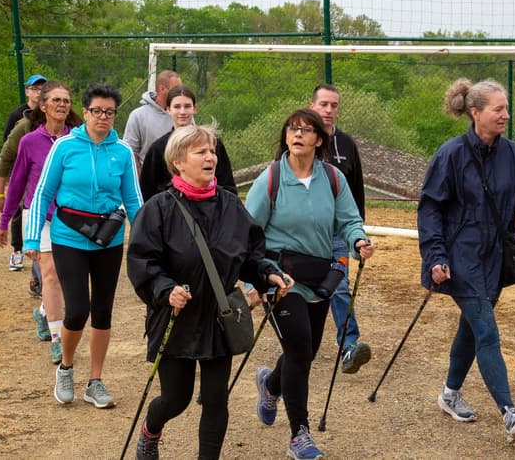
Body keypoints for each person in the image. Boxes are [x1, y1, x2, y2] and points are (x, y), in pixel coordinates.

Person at [127, 124, 293, 460]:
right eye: (200, 152)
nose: (210, 157)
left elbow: (249, 257)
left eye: (212, 151)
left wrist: (267, 274)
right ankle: (150, 432)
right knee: (176, 398)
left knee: (216, 398)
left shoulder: (231, 207)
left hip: (220, 316)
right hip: (175, 315)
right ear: (178, 162)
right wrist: (164, 289)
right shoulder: (158, 208)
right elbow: (142, 260)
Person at [417, 78, 515, 444]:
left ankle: (449, 394)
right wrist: (435, 255)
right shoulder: (450, 155)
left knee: (471, 327)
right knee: (486, 330)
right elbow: (430, 209)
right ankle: (510, 413)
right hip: (458, 258)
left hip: (496, 258)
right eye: (498, 109)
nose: (506, 115)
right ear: (475, 112)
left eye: (506, 108)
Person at [244, 108, 375, 460]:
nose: (297, 134)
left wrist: (359, 240)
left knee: (304, 351)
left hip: (318, 276)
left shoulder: (332, 178)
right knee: (301, 349)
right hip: (280, 280)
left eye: (305, 130)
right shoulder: (270, 178)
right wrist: (251, 282)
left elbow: (349, 220)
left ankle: (270, 385)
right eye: (292, 128)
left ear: (319, 139)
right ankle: (298, 435)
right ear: (285, 136)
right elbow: (247, 233)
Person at [26, 83, 142, 408]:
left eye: (109, 112)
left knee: (103, 310)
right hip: (69, 237)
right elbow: (42, 195)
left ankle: (95, 381)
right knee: (78, 309)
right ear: (86, 111)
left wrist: (147, 237)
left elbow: (133, 198)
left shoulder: (122, 151)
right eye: (96, 111)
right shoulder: (64, 147)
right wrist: (33, 238)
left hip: (109, 238)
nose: (103, 117)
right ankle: (65, 367)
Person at [0, 81, 80, 363]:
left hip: (72, 219)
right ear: (43, 106)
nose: (61, 105)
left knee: (71, 279)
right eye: (55, 100)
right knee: (51, 273)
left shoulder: (79, 140)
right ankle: (58, 339)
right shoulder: (29, 141)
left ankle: (44, 313)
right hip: (39, 216)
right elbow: (17, 183)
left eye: (66, 100)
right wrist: (5, 221)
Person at [309, 83, 370, 374]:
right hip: (303, 234)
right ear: (313, 106)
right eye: (324, 104)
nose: (329, 110)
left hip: (336, 233)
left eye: (334, 105)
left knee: (340, 287)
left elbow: (355, 191)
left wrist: (358, 233)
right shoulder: (300, 139)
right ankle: (300, 342)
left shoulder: (346, 145)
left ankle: (349, 345)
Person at [139, 85, 236, 201]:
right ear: (168, 109)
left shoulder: (212, 143)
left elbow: (228, 186)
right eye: (177, 107)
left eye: (187, 106)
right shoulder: (158, 149)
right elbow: (147, 191)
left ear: (195, 108)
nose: (182, 112)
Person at [0, 73, 47, 273]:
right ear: (27, 91)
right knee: (20, 210)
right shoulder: (19, 116)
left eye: (42, 89)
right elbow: (7, 148)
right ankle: (17, 250)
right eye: (35, 89)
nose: (38, 93)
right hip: (22, 171)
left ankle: (36, 260)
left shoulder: (56, 117)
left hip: (40, 172)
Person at [123, 70, 182, 176]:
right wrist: (142, 180)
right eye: (176, 89)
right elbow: (130, 151)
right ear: (162, 89)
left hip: (181, 178)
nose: (180, 93)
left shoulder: (184, 114)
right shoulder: (138, 115)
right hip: (151, 179)